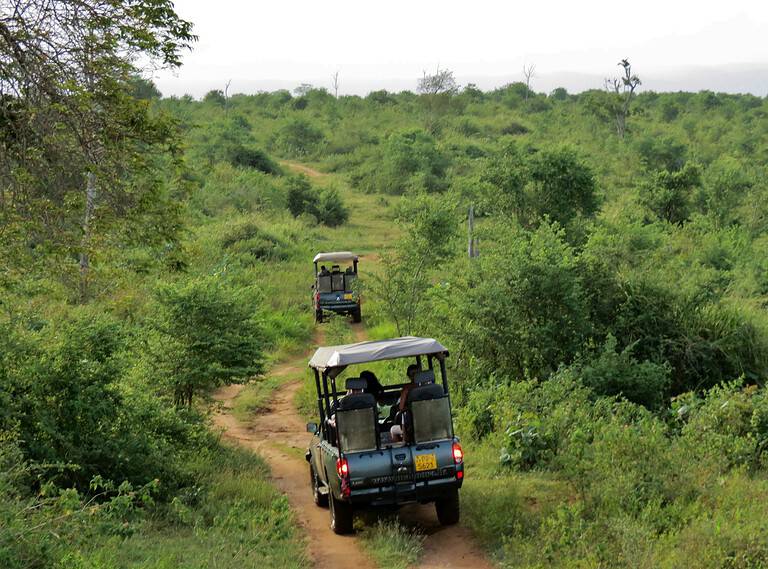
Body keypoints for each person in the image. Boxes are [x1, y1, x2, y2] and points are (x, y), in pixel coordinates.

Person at [390, 364, 420, 442]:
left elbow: (401, 407)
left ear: (409, 377)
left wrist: (410, 408)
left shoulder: (407, 389)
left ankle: (403, 445)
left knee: (393, 430)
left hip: (413, 424)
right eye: (414, 374)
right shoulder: (432, 388)